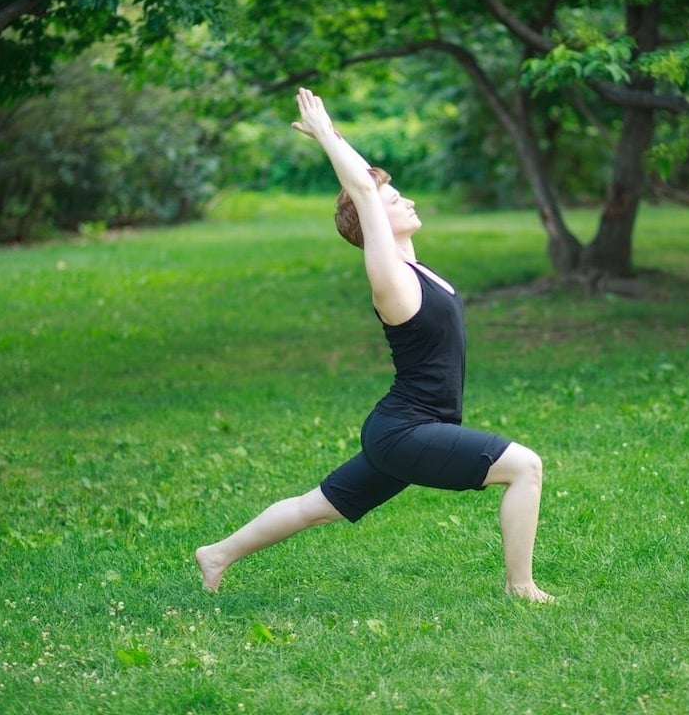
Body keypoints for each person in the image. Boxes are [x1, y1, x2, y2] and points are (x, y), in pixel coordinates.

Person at [195, 87, 554, 602]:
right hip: (407, 432)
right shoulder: (390, 280)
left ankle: (217, 554)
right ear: (374, 222)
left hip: (403, 429)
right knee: (525, 467)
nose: (407, 200)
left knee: (314, 507)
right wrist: (325, 135)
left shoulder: (413, 266)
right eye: (394, 201)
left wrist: (337, 138)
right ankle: (522, 588)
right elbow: (364, 193)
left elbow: (367, 186)